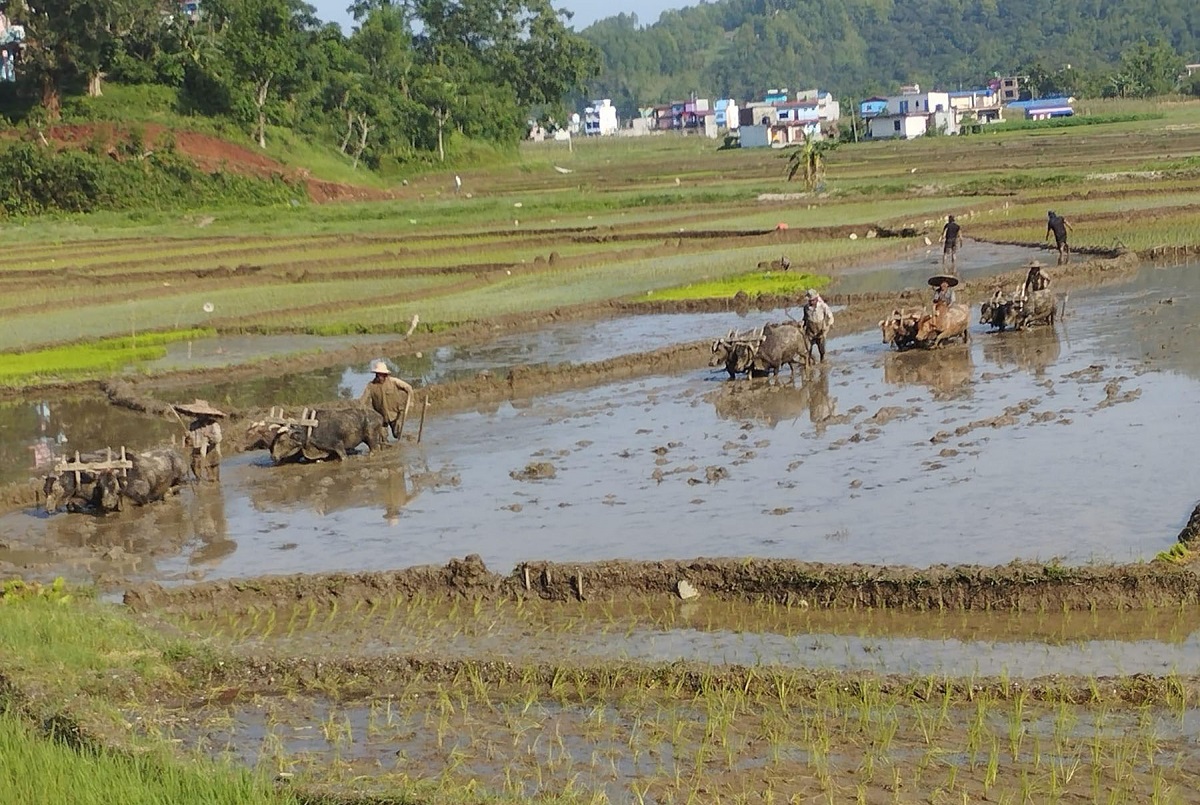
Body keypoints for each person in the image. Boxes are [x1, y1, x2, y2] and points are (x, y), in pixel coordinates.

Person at [360, 360, 414, 442]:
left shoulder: (393, 382)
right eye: (378, 374)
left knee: (397, 434)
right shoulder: (371, 386)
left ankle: (408, 438)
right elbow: (363, 400)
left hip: (395, 414)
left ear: (385, 374)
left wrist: (410, 402)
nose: (380, 377)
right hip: (380, 416)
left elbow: (409, 388)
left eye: (382, 374)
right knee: (382, 439)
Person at [176, 399, 224, 483]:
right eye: (198, 414)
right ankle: (200, 485)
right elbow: (190, 443)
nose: (200, 416)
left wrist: (209, 435)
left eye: (202, 414)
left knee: (213, 479)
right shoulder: (193, 425)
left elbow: (218, 438)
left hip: (211, 452)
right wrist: (187, 437)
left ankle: (214, 490)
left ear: (207, 414)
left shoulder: (213, 424)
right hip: (197, 453)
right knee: (198, 475)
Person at [802, 289, 835, 362]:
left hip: (820, 332)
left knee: (822, 350)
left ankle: (822, 361)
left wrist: (828, 325)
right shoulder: (806, 308)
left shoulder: (823, 306)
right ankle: (809, 363)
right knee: (808, 349)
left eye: (813, 300)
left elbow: (830, 317)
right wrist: (801, 324)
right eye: (810, 301)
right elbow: (805, 318)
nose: (811, 302)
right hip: (810, 332)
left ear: (816, 299)